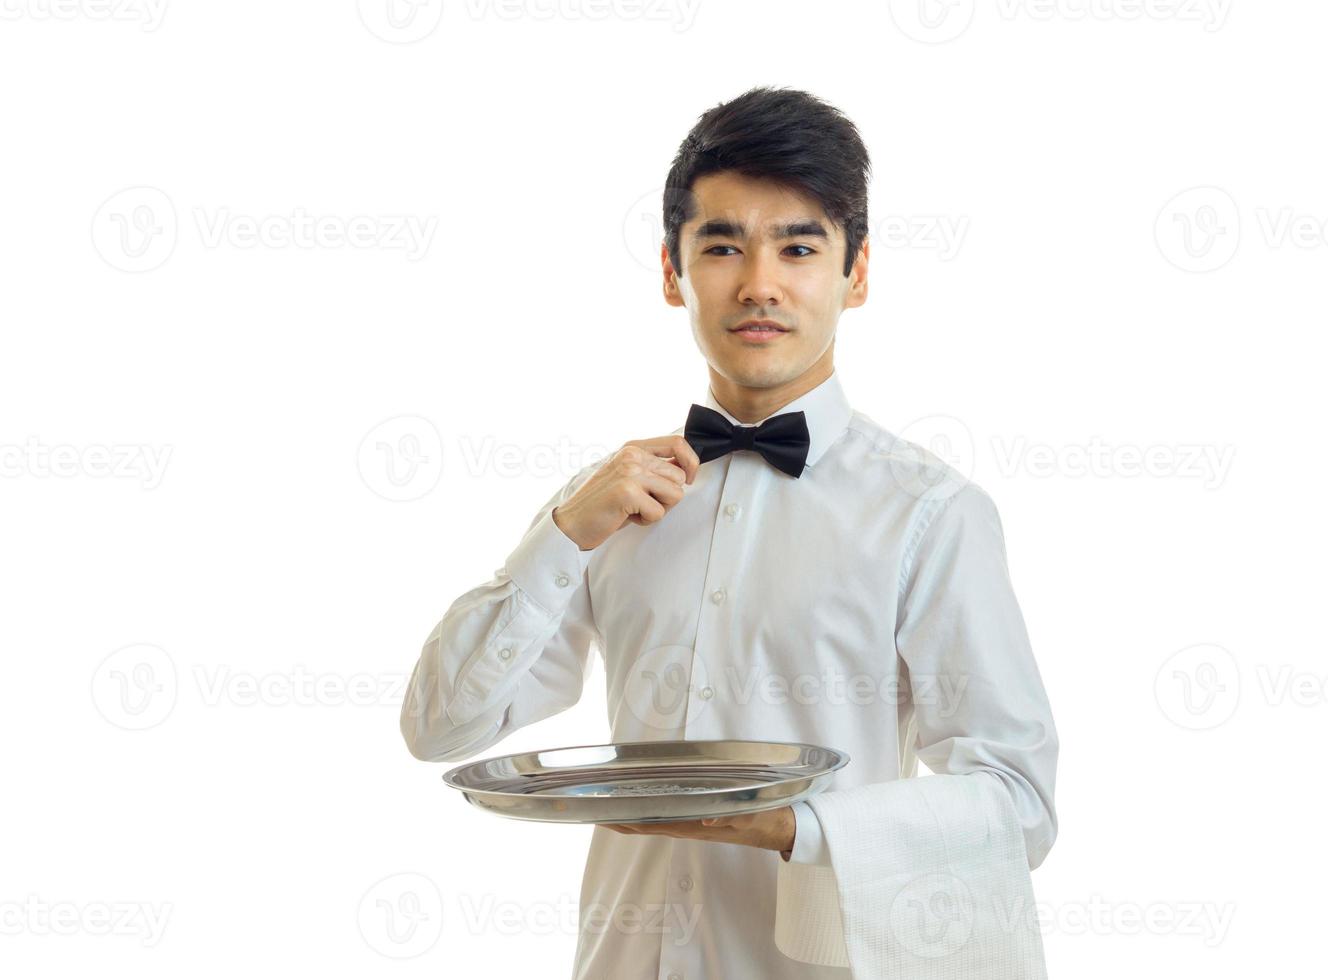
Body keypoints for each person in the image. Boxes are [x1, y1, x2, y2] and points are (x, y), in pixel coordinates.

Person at [400, 85, 1059, 979]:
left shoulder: (931, 515)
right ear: (672, 272)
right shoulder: (605, 503)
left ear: (855, 273)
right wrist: (561, 536)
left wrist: (798, 828)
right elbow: (440, 728)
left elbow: (1019, 805)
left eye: (799, 247)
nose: (759, 284)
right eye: (722, 246)